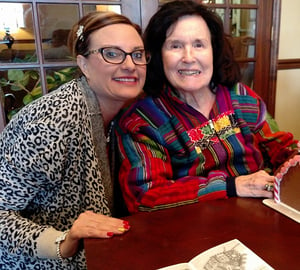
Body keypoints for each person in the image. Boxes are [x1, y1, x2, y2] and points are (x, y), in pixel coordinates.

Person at [115, 0, 299, 214]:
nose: (189, 58)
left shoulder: (240, 96)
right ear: (157, 55)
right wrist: (233, 186)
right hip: (190, 230)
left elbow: (279, 146)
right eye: (175, 46)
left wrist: (294, 158)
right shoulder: (143, 121)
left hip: (259, 216)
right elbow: (145, 196)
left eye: (199, 45)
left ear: (214, 51)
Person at [0, 11, 147, 269]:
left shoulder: (126, 112)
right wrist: (63, 241)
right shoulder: (50, 125)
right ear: (84, 64)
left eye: (137, 54)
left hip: (98, 256)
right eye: (112, 53)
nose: (130, 65)